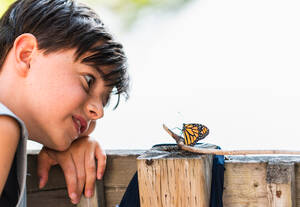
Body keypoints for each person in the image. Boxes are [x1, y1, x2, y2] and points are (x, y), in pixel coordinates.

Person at [0, 0, 129, 206]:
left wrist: (60, 142)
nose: (98, 112)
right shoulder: (4, 126)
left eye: (103, 102)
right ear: (26, 55)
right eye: (88, 81)